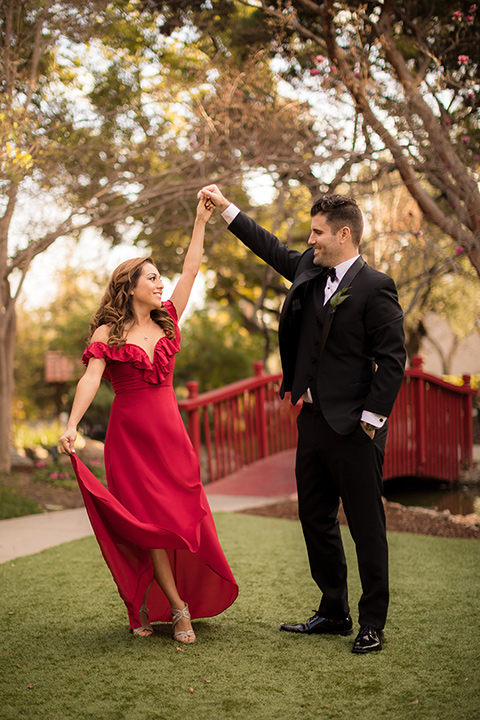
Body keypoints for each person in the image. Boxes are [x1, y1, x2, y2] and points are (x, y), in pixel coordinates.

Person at [198, 184, 406, 653]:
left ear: (344, 234)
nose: (310, 241)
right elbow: (266, 244)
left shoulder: (377, 288)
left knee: (366, 526)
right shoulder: (308, 270)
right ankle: (334, 609)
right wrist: (225, 206)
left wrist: (371, 420)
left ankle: (372, 622)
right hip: (311, 422)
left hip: (356, 429)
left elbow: (393, 361)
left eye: (317, 233)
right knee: (314, 518)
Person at [59, 197, 238, 643]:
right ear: (131, 285)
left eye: (160, 277)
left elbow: (192, 269)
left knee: (182, 513)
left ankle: (151, 600)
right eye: (152, 278)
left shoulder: (169, 322)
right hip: (131, 441)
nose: (161, 284)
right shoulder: (108, 333)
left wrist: (199, 220)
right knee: (149, 524)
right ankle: (178, 608)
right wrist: (72, 424)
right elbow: (90, 379)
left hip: (171, 438)